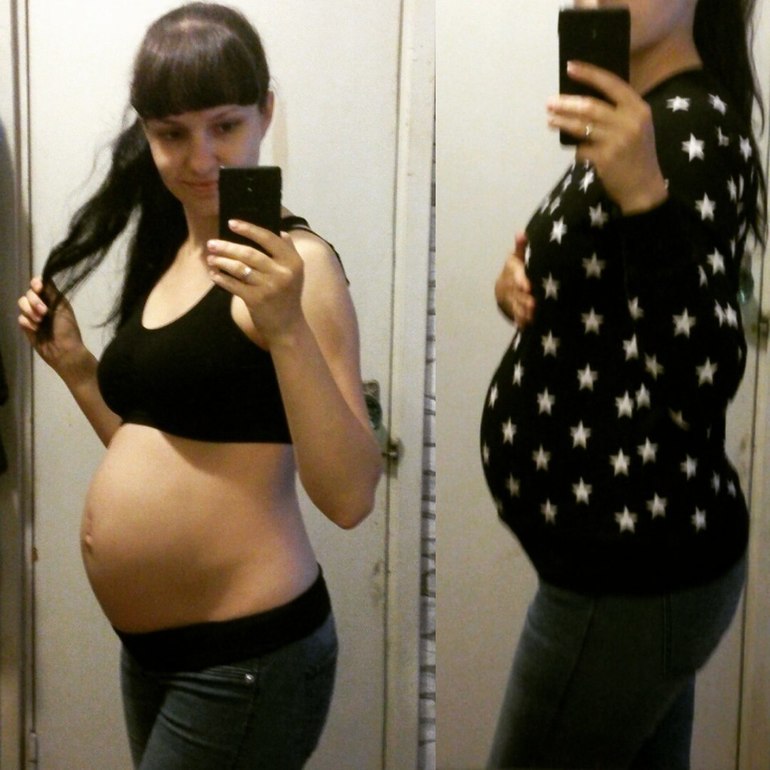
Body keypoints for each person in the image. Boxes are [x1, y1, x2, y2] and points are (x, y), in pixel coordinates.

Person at [17, 4, 382, 768]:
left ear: (265, 113)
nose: (201, 157)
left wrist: (286, 325)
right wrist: (78, 369)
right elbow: (162, 448)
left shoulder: (302, 267)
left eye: (225, 125)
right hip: (156, 658)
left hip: (247, 660)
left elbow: (350, 497)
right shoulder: (174, 254)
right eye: (172, 133)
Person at [479, 0, 766, 767]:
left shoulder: (691, 130)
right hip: (624, 567)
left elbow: (701, 375)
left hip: (630, 573)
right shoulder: (643, 118)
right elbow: (620, 294)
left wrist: (642, 192)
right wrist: (523, 283)